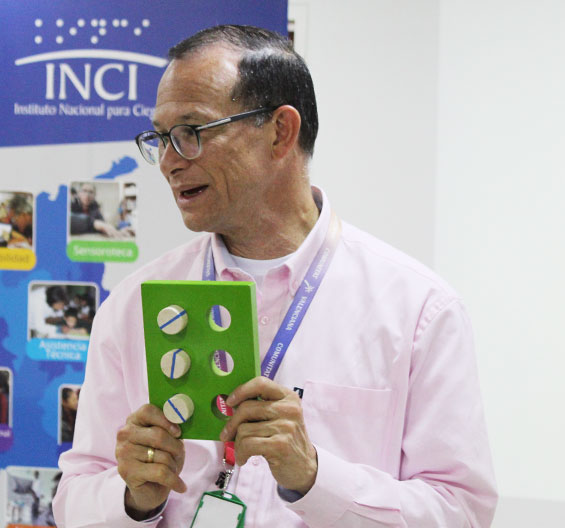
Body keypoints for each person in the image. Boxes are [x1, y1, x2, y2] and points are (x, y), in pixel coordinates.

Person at [53, 24, 497, 527]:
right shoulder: (134, 304)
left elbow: (460, 513)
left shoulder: (417, 310)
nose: (170, 162)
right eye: (161, 138)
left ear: (281, 132)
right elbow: (75, 500)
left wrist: (313, 477)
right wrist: (134, 499)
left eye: (192, 133)